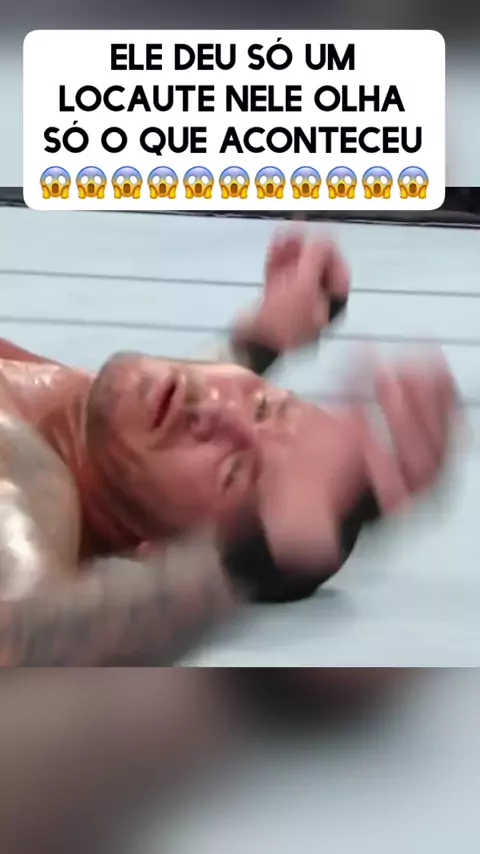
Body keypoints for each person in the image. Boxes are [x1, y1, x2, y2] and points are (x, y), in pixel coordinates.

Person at [0, 231, 457, 665]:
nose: (216, 410)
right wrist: (259, 341)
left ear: (154, 552)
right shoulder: (81, 413)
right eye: (263, 406)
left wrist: (246, 556)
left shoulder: (24, 473)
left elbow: (19, 643)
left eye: (232, 471)